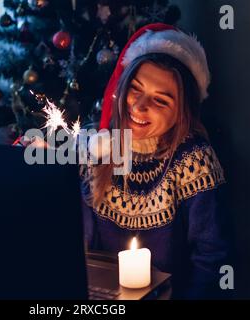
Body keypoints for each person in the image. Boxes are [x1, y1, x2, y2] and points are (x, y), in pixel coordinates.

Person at [22, 23, 232, 299]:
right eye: (136, 89)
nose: (140, 106)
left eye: (161, 100)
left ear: (182, 112)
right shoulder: (96, 147)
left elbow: (212, 259)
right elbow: (71, 237)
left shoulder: (194, 161)